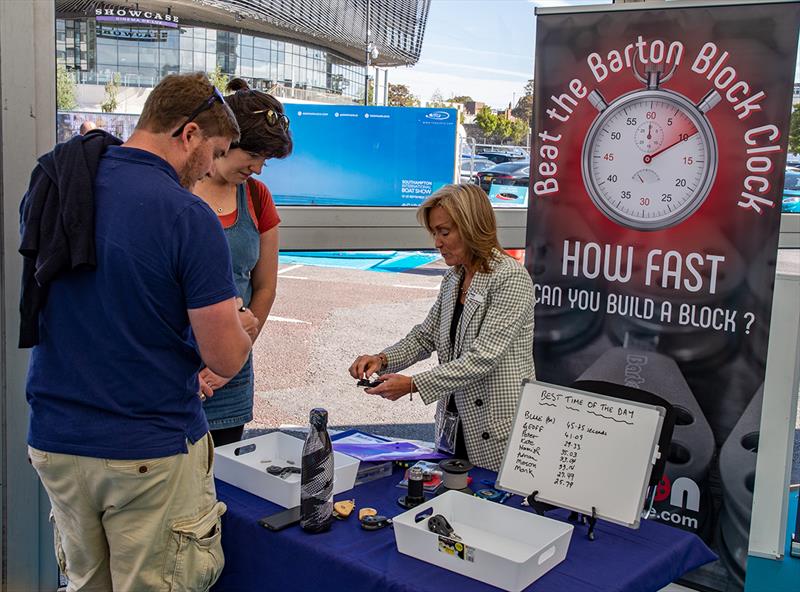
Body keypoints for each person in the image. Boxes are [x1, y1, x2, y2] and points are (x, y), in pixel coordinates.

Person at [22, 72, 257, 591]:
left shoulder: (59, 185)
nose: (209, 169)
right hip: (147, 446)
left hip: (57, 439)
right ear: (189, 134)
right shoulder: (186, 215)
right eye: (214, 152)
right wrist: (242, 323)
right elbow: (224, 357)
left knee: (86, 583)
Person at [348, 184, 534, 471]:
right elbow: (425, 337)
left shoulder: (510, 278)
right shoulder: (453, 279)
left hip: (496, 429)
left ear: (472, 227)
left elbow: (481, 359)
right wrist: (382, 360)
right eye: (434, 233)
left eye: (444, 232)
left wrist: (413, 384)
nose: (437, 242)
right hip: (455, 422)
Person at [193, 78, 292, 447]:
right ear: (226, 140)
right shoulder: (175, 187)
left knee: (227, 486)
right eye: (254, 157)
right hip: (174, 370)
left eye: (265, 161)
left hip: (229, 378)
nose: (259, 168)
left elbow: (265, 287)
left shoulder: (256, 195)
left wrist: (234, 355)